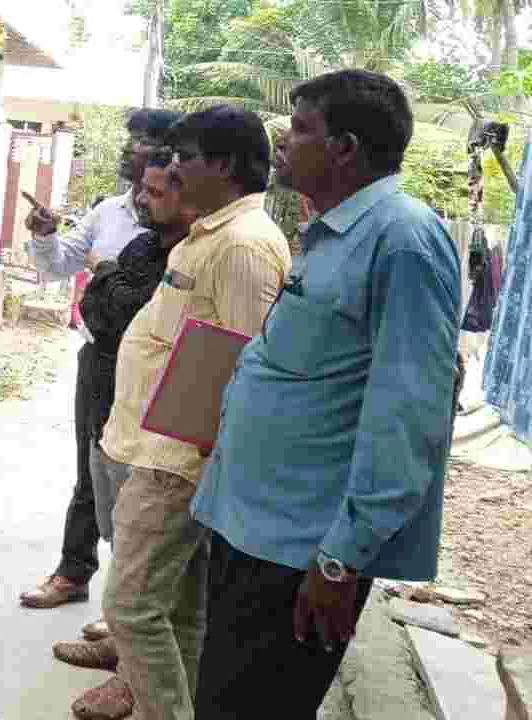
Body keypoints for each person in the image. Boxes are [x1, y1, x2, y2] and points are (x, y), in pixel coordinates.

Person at [191, 70, 460, 719]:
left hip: (302, 549)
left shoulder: (403, 239)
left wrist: (342, 558)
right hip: (254, 529)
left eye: (301, 128)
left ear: (344, 148)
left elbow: (409, 412)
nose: (283, 140)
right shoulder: (337, 233)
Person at [74, 106, 291, 720]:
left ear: (223, 166)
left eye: (185, 158)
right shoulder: (212, 236)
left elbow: (243, 364)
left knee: (130, 606)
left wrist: (193, 457)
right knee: (178, 611)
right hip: (157, 445)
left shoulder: (244, 245)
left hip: (177, 459)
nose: (172, 170)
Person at [19, 109, 181, 613]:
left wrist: (107, 274)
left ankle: (128, 600)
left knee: (139, 480)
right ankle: (74, 572)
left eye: (142, 140)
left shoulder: (183, 225)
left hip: (153, 368)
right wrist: (45, 235)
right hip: (100, 359)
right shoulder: (108, 212)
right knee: (90, 468)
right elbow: (57, 264)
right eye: (129, 138)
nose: (129, 148)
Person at [51, 151, 197, 677]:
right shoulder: (140, 245)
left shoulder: (193, 255)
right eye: (140, 188)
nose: (141, 199)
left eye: (155, 191)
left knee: (140, 526)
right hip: (104, 385)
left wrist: (109, 278)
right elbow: (96, 309)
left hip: (151, 412)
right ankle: (112, 621)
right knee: (100, 493)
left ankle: (130, 659)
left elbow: (133, 312)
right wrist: (112, 283)